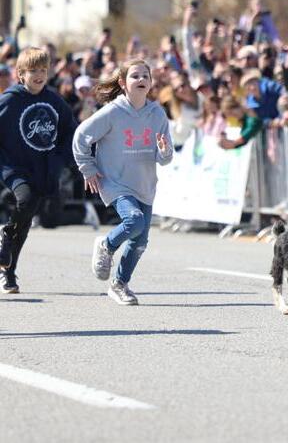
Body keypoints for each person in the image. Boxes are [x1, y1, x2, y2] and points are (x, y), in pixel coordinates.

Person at [73, 59, 173, 306]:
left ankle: (119, 284)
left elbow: (165, 157)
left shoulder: (157, 114)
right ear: (122, 83)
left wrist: (164, 150)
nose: (141, 80)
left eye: (145, 76)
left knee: (140, 242)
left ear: (151, 83)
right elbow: (81, 137)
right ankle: (106, 245)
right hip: (116, 182)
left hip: (144, 184)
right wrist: (88, 168)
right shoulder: (112, 112)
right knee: (134, 220)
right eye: (135, 76)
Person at [0, 48, 77, 294]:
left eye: (43, 70)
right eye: (33, 70)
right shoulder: (10, 100)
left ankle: (8, 272)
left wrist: (62, 160)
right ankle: (5, 233)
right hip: (14, 167)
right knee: (26, 198)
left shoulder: (54, 101)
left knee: (25, 225)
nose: (39, 75)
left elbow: (71, 132)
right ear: (21, 74)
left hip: (43, 169)